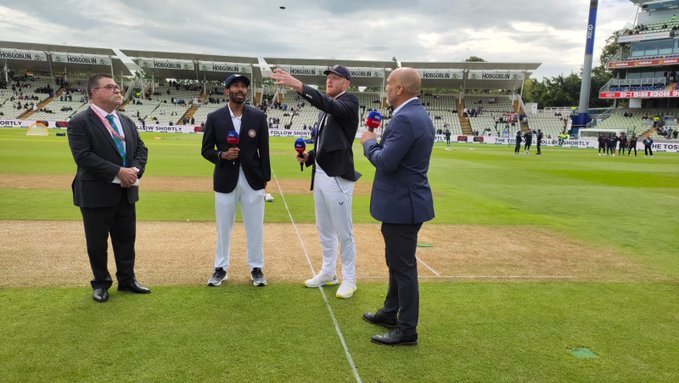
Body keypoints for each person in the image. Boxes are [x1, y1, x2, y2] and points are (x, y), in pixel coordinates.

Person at [360, 67, 435, 346]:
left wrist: (369, 144)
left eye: (389, 84)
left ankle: (407, 329)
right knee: (396, 262)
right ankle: (391, 313)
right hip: (406, 202)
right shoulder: (416, 115)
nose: (387, 89)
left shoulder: (405, 118)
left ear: (400, 89)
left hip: (403, 204)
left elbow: (386, 162)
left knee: (403, 267)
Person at [272, 65, 361, 299]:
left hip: (337, 178)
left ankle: (350, 279)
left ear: (347, 83)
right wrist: (309, 156)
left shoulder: (349, 102)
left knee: (344, 231)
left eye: (335, 78)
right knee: (325, 229)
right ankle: (329, 273)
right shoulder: (325, 111)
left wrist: (298, 85)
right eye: (328, 78)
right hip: (320, 175)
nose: (329, 81)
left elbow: (328, 104)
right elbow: (325, 145)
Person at [67, 74, 150, 303]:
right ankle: (101, 283)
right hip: (96, 193)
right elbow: (83, 156)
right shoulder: (79, 122)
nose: (117, 90)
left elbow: (142, 149)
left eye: (116, 86)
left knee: (126, 239)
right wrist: (117, 171)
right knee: (97, 242)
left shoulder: (126, 121)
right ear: (94, 92)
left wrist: (134, 170)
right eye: (110, 86)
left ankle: (127, 280)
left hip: (126, 191)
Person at [201, 74, 271, 287]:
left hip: (253, 180)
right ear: (227, 91)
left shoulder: (258, 117)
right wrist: (222, 155)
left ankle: (256, 268)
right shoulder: (214, 117)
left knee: (255, 226)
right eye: (235, 86)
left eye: (243, 87)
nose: (240, 90)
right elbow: (205, 150)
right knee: (223, 226)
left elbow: (264, 150)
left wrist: (265, 177)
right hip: (225, 178)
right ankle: (220, 268)